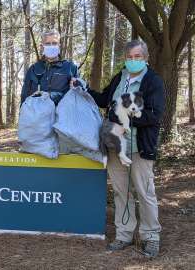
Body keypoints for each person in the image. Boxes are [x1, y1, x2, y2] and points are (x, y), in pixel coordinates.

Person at [86, 40, 165, 258]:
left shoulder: (152, 82)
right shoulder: (120, 78)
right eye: (129, 57)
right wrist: (84, 89)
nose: (133, 60)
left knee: (144, 192)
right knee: (121, 193)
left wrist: (125, 121)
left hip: (139, 147)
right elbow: (104, 100)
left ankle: (151, 237)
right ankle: (124, 234)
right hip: (115, 146)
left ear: (145, 58)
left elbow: (155, 114)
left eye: (137, 56)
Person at [20, 30, 78, 105]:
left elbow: (78, 94)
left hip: (63, 114)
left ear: (59, 45)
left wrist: (76, 86)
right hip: (39, 115)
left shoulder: (70, 67)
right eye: (47, 44)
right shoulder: (34, 69)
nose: (51, 46)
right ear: (43, 46)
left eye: (54, 43)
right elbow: (24, 96)